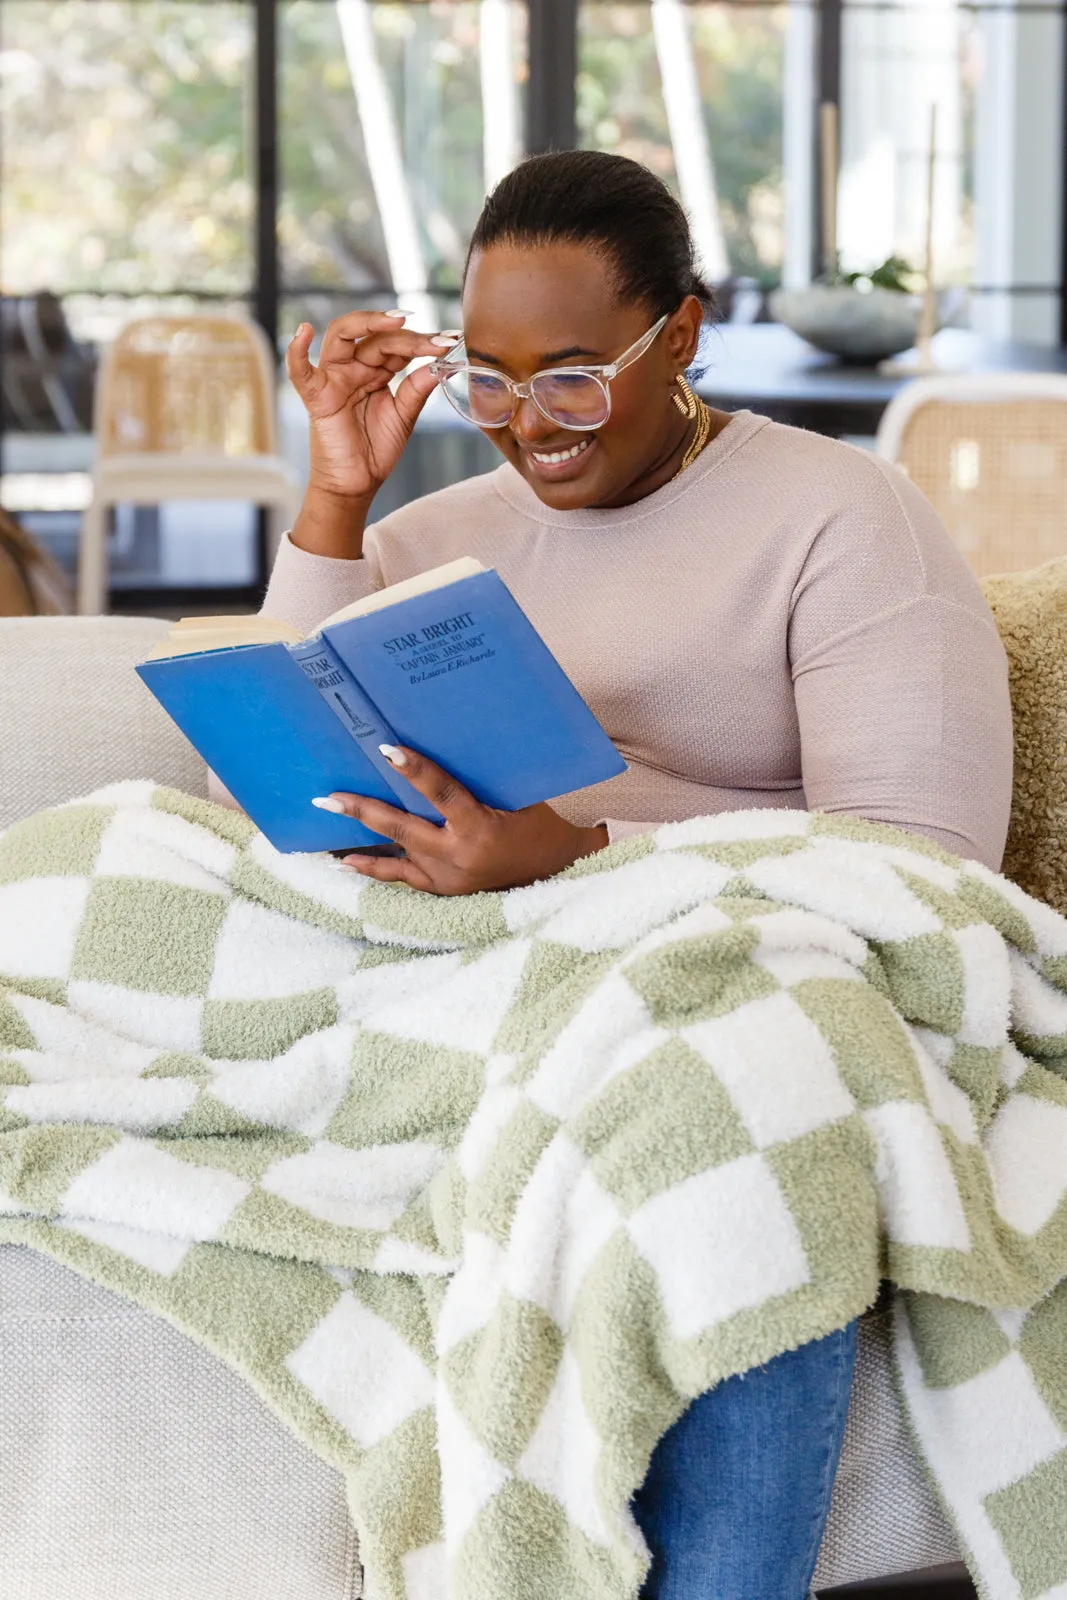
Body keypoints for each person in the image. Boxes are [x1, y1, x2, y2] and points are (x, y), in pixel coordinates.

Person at [261, 151, 1013, 1597]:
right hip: (467, 976)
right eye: (486, 378)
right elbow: (283, 758)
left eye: (572, 377)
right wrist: (337, 501)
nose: (528, 425)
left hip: (745, 977)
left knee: (740, 1093)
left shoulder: (839, 518)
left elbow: (926, 874)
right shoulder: (431, 540)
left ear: (679, 330)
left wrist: (580, 857)